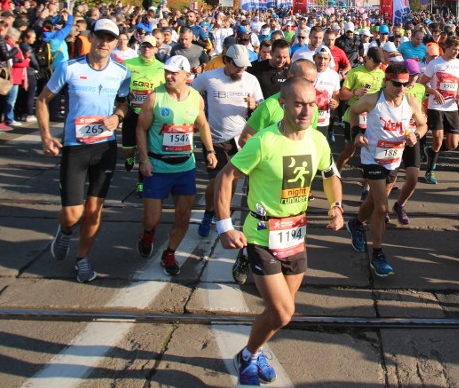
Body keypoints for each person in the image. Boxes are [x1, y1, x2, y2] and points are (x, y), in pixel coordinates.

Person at [214, 76, 344, 386]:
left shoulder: (318, 140)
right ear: (282, 104)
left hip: (295, 235)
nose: (306, 111)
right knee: (284, 313)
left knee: (278, 312)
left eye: (312, 104)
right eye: (299, 103)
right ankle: (249, 356)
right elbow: (226, 177)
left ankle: (251, 354)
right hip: (262, 236)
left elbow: (330, 175)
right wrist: (224, 226)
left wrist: (336, 205)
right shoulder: (264, 140)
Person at [37, 19, 131, 283]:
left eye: (109, 38)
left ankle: (83, 258)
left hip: (105, 147)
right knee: (72, 213)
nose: (104, 42)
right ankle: (65, 230)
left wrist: (118, 117)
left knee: (94, 210)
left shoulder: (121, 73)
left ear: (115, 42)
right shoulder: (69, 68)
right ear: (90, 37)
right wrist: (45, 135)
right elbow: (43, 100)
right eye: (100, 36)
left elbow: (124, 103)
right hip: (74, 147)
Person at [135, 55, 217, 275]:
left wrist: (210, 150)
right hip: (157, 167)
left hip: (185, 168)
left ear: (186, 75)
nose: (168, 76)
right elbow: (141, 129)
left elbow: (203, 124)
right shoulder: (154, 98)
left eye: (174, 73)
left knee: (183, 216)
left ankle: (169, 254)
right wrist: (143, 160)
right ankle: (148, 233)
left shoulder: (196, 98)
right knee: (152, 219)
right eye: (166, 72)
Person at [345, 62, 427, 276]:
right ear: (385, 81)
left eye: (405, 83)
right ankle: (378, 254)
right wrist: (356, 134)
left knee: (373, 199)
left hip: (393, 159)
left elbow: (423, 124)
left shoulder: (410, 100)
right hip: (372, 157)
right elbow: (353, 112)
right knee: (381, 208)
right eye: (397, 84)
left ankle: (355, 223)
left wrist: (415, 135)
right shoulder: (373, 100)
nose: (401, 88)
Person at [191, 44, 263, 238]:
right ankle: (209, 213)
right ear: (226, 61)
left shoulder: (251, 80)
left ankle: (222, 216)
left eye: (245, 66)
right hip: (214, 139)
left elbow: (262, 106)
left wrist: (254, 105)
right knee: (215, 182)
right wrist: (197, 114)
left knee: (231, 182)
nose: (242, 69)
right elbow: (189, 94)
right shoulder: (209, 77)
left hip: (240, 140)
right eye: (237, 65)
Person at [121, 35, 165, 195]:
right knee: (128, 148)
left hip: (149, 114)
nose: (147, 49)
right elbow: (119, 88)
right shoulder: (128, 64)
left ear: (155, 49)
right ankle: (128, 157)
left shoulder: (161, 68)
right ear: (140, 47)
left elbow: (164, 91)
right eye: (144, 46)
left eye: (150, 46)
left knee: (144, 151)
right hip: (131, 111)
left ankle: (141, 183)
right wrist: (126, 96)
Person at [419, 36, 459, 184]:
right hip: (436, 106)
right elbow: (422, 84)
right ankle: (430, 171)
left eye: (458, 50)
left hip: (451, 107)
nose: (456, 52)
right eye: (454, 49)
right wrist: (434, 92)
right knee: (438, 140)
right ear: (446, 48)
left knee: (453, 144)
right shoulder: (435, 64)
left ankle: (430, 151)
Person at [389, 58, 429, 224]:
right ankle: (381, 207)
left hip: (412, 137)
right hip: (392, 138)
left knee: (412, 179)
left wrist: (418, 133)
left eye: (416, 75)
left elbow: (422, 117)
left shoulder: (420, 88)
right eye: (410, 75)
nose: (413, 78)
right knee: (390, 180)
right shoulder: (392, 88)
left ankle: (400, 205)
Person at [335, 46, 385, 171]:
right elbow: (342, 95)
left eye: (380, 63)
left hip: (373, 118)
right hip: (354, 116)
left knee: (372, 150)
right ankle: (337, 170)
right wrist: (355, 93)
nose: (378, 65)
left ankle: (369, 181)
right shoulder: (355, 72)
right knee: (350, 150)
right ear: (367, 58)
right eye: (375, 62)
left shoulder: (381, 73)